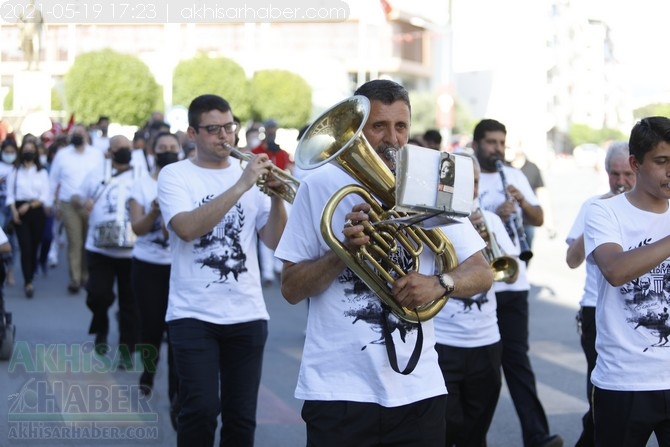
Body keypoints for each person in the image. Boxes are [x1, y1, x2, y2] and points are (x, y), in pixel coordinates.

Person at [275, 79, 494, 446]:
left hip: (418, 390)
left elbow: (482, 272)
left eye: (401, 126)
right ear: (357, 128)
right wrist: (341, 252)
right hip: (336, 392)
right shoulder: (320, 185)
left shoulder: (431, 183)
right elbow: (291, 288)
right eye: (379, 126)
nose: (392, 138)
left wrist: (439, 284)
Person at [157, 94, 287, 446]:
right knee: (199, 411)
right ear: (192, 133)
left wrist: (275, 197)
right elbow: (185, 228)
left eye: (229, 127)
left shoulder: (250, 175)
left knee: (241, 418)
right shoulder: (175, 176)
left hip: (247, 314)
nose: (224, 136)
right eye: (213, 129)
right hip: (192, 313)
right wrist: (242, 184)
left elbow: (274, 240)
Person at [472, 118, 562, 447]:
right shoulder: (468, 173)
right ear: (476, 143)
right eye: (491, 142)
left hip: (514, 284)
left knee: (517, 362)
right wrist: (495, 213)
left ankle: (537, 435)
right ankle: (472, 437)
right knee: (482, 371)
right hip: (479, 283)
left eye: (501, 143)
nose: (497, 149)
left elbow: (538, 217)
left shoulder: (515, 176)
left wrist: (521, 203)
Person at [583, 116, 670, 447]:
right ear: (636, 163)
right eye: (662, 162)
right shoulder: (605, 212)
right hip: (624, 380)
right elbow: (615, 270)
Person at [435, 154, 518, 446]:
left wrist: (480, 241)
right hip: (444, 341)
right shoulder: (433, 221)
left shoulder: (491, 220)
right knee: (448, 426)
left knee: (477, 428)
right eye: (464, 182)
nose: (471, 189)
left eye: (476, 182)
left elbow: (512, 274)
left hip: (486, 342)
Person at [565, 141, 634, 447]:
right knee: (600, 391)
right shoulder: (594, 207)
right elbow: (572, 260)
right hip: (596, 309)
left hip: (636, 311)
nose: (620, 182)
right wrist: (598, 216)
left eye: (627, 175)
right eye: (613, 174)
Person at [128, 131, 180, 407]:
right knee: (150, 326)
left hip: (179, 268)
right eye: (163, 147)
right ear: (153, 150)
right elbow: (137, 228)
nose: (168, 151)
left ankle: (176, 389)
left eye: (173, 147)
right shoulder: (141, 184)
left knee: (177, 329)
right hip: (147, 265)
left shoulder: (186, 183)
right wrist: (154, 211)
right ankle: (148, 372)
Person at [81, 135, 138, 366]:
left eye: (128, 148)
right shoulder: (96, 173)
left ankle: (127, 350)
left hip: (132, 251)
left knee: (130, 303)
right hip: (99, 248)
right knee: (98, 295)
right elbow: (77, 196)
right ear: (110, 152)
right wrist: (82, 203)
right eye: (119, 148)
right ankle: (101, 326)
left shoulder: (140, 175)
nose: (124, 151)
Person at [49, 124, 105, 294]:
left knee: (87, 241)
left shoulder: (96, 155)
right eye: (75, 133)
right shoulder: (62, 155)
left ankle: (86, 276)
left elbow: (102, 179)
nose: (77, 136)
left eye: (81, 133)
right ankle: (75, 278)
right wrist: (53, 203)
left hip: (90, 204)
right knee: (75, 241)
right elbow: (53, 180)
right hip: (68, 204)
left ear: (87, 136)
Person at [6, 136, 50, 298]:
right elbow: (10, 194)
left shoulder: (42, 172)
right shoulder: (15, 171)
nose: (28, 153)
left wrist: (30, 205)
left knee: (34, 246)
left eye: (31, 150)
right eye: (26, 150)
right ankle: (28, 282)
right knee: (25, 247)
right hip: (19, 211)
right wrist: (14, 211)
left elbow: (45, 196)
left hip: (36, 211)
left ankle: (32, 271)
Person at [252, 118, 292, 286]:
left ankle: (278, 267)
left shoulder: (281, 152)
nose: (272, 132)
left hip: (280, 193)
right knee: (265, 232)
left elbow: (290, 169)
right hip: (262, 193)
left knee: (283, 231)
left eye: (274, 129)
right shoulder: (257, 150)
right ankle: (267, 272)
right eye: (269, 129)